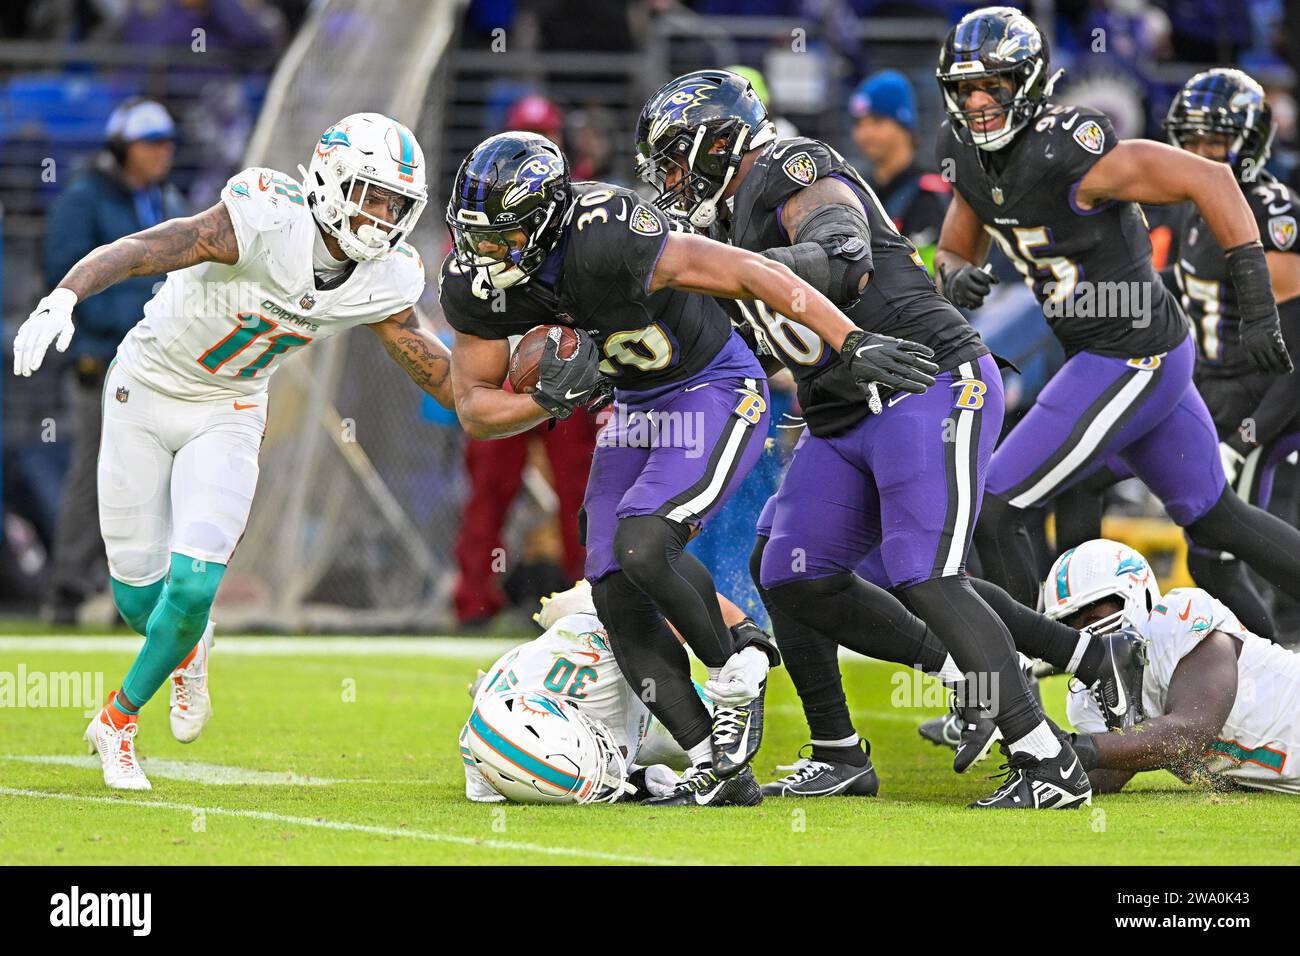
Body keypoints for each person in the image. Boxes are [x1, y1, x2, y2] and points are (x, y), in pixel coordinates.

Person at [635, 69, 1092, 810]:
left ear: (720, 142)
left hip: (924, 376)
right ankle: (841, 751)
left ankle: (1046, 757)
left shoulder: (787, 166)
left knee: (927, 572)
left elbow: (840, 248)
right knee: (787, 569)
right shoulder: (717, 227)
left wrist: (740, 274)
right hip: (842, 409)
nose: (673, 181)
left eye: (679, 160)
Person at [442, 132, 927, 806]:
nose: (485, 255)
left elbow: (750, 273)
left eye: (502, 238)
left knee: (646, 539)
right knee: (612, 585)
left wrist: (849, 341)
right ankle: (714, 766)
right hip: (635, 406)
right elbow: (473, 405)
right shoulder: (476, 283)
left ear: (548, 218)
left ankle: (740, 661)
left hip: (712, 387)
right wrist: (544, 400)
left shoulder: (608, 232)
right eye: (477, 237)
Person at [14, 113, 455, 790]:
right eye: (372, 194)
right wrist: (67, 294)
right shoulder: (262, 216)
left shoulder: (385, 277)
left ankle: (117, 720)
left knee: (193, 583)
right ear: (333, 181)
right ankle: (190, 646)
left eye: (396, 203)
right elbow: (146, 247)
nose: (384, 215)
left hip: (230, 409)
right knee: (141, 606)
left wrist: (533, 397)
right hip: (146, 389)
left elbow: (444, 377)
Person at [932, 7, 1300, 626]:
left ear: (1025, 84)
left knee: (995, 506)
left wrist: (1260, 307)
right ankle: (1271, 684)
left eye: (991, 86)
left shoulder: (1070, 149)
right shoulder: (965, 155)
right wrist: (955, 273)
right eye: (965, 89)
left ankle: (1017, 696)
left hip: (1133, 353)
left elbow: (1211, 180)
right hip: (1116, 353)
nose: (978, 103)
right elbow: (954, 245)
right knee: (1216, 520)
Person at [931, 539, 1300, 796]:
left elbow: (1190, 730)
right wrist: (1032, 740)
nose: (1086, 634)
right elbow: (1108, 771)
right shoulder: (1088, 697)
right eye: (1071, 627)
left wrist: (1074, 746)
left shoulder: (1180, 616)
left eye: (1094, 616)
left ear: (1138, 595)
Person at [452, 94, 599, 627]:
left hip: (567, 366)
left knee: (580, 492)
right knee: (490, 492)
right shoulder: (483, 203)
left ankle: (587, 599)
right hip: (502, 367)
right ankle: (473, 601)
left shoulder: (579, 205)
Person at [1164, 68, 1300, 641]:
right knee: (1083, 480)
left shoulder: (1270, 212)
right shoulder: (1189, 205)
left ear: (1249, 140)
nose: (1199, 154)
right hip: (1205, 392)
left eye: (1213, 142)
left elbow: (1295, 346)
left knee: (1219, 558)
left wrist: (1248, 435)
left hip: (1262, 400)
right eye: (1190, 141)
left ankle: (1275, 678)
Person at [41, 98, 187, 625]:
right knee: (95, 472)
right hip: (102, 360)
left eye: (169, 141)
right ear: (124, 148)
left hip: (162, 364)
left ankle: (134, 587)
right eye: (152, 142)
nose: (164, 151)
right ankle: (68, 587)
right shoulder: (84, 199)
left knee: (160, 476)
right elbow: (66, 276)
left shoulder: (167, 197)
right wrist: (148, 313)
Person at [461, 581, 769, 803]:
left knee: (727, 748)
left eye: (594, 752)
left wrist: (753, 644)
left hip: (626, 693)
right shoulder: (481, 762)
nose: (601, 760)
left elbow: (694, 601)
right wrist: (637, 779)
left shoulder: (600, 660)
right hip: (536, 688)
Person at [848, 69, 952, 269]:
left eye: (877, 122)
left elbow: (929, 275)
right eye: (859, 123)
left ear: (903, 124)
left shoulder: (929, 193)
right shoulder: (858, 187)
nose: (864, 133)